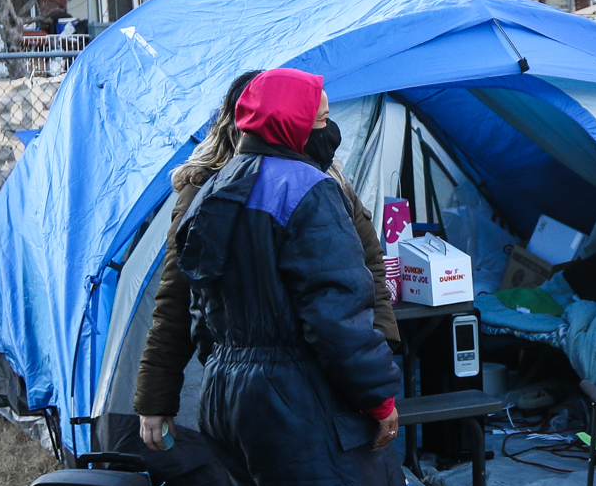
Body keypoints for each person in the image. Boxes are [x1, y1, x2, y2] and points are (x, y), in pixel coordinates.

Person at [175, 67, 412, 486]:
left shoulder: (212, 188)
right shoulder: (308, 191)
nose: (325, 126)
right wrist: (379, 395)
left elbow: (200, 305)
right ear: (290, 122)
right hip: (292, 396)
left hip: (227, 395)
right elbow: (338, 314)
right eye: (320, 114)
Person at [134, 75, 398, 449]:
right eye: (318, 116)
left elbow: (368, 277)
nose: (327, 127)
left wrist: (376, 377)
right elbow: (178, 298)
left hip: (330, 383)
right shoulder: (210, 192)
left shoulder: (325, 181)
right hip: (265, 390)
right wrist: (156, 396)